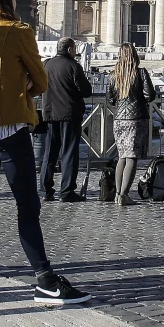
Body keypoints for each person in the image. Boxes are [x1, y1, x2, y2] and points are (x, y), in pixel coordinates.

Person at [0, 0, 90, 305]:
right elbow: (41, 81)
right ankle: (45, 280)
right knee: (27, 205)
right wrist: (19, 87)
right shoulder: (18, 31)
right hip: (10, 129)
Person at [39, 38, 93, 203]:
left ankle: (46, 190)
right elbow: (86, 91)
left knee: (49, 152)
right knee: (69, 152)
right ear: (70, 49)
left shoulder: (47, 64)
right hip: (69, 113)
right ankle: (67, 191)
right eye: (74, 49)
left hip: (49, 113)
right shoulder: (73, 66)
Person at [107, 43, 156, 205]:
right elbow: (149, 95)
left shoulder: (113, 75)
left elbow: (110, 99)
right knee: (132, 157)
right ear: (134, 55)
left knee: (122, 156)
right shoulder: (141, 73)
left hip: (119, 120)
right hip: (136, 119)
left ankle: (117, 194)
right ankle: (124, 194)